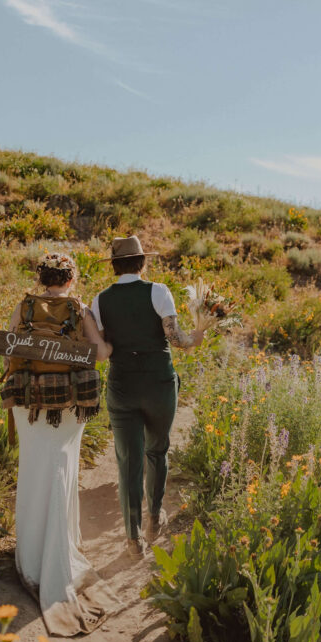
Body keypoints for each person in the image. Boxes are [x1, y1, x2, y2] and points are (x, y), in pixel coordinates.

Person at [1, 252, 118, 636]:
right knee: (61, 470)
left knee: (33, 469)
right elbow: (99, 354)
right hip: (67, 405)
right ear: (71, 279)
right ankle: (60, 550)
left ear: (41, 278)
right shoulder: (79, 310)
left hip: (29, 404)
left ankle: (30, 558)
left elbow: (9, 352)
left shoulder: (25, 306)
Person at [91, 236, 205, 558]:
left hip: (122, 384)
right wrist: (195, 337)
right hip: (158, 383)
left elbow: (103, 346)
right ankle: (155, 517)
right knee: (157, 450)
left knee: (128, 461)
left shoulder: (100, 300)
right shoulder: (158, 291)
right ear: (142, 263)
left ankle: (132, 538)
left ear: (114, 265)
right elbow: (176, 338)